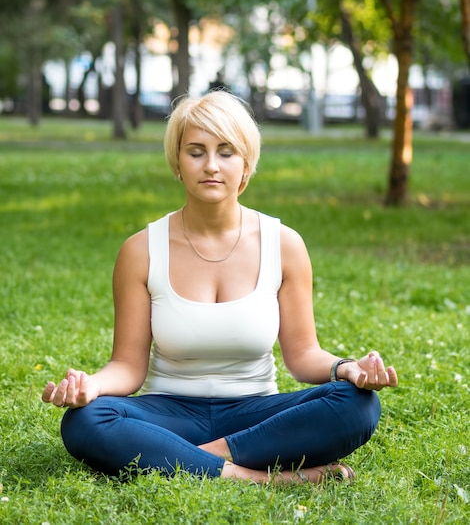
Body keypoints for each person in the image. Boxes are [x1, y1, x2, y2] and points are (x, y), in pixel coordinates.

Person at [42, 90, 398, 485]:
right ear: (177, 163)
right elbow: (128, 367)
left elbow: (302, 355)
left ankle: (192, 462)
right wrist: (90, 386)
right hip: (169, 415)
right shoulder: (140, 250)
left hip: (257, 416)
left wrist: (346, 368)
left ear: (246, 164)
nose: (211, 165)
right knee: (86, 419)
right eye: (196, 151)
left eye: (226, 152)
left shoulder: (284, 244)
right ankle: (260, 478)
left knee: (357, 404)